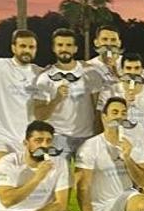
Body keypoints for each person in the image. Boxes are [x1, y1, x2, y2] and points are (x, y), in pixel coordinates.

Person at [33, 27, 102, 155]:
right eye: (60, 45)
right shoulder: (44, 77)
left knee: (83, 175)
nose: (64, 49)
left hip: (87, 136)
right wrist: (56, 100)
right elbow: (39, 115)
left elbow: (98, 108)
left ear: (75, 49)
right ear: (54, 48)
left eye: (69, 45)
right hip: (58, 137)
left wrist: (97, 135)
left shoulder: (90, 73)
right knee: (60, 175)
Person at [0, 28, 41, 166]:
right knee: (3, 169)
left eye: (31, 47)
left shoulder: (40, 74)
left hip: (27, 138)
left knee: (23, 180)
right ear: (13, 48)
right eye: (22, 46)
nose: (27, 50)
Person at [96, 53, 144, 158]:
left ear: (142, 70)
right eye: (128, 68)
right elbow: (105, 124)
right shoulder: (108, 92)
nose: (132, 72)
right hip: (114, 149)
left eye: (136, 68)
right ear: (122, 70)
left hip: (140, 151)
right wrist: (125, 104)